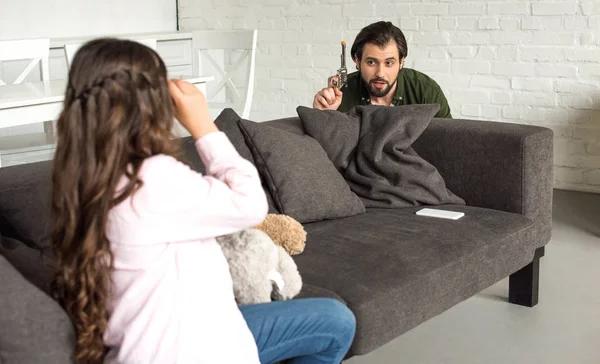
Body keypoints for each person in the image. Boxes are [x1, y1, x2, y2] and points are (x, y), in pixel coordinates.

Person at [50, 38, 355, 364]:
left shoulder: (80, 177)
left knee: (333, 318)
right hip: (191, 351)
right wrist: (202, 124)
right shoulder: (150, 178)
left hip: (147, 345)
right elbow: (250, 204)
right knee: (336, 323)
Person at [313, 21, 452, 118]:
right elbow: (324, 151)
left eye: (389, 63)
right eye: (371, 62)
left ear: (401, 62)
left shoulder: (426, 91)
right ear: (357, 60)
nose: (380, 73)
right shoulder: (341, 93)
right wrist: (323, 116)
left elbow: (447, 141)